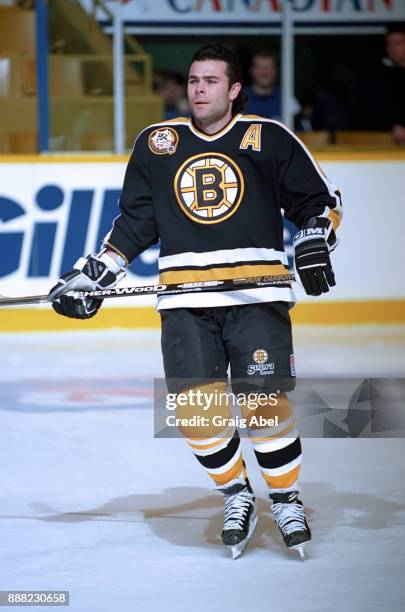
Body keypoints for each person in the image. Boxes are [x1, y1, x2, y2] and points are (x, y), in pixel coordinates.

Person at [49, 44, 342, 559]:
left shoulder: (267, 138)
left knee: (262, 404)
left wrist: (316, 237)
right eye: (192, 80)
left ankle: (286, 497)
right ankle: (237, 494)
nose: (198, 89)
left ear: (233, 90)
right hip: (183, 298)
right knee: (195, 410)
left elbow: (318, 203)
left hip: (255, 295)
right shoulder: (158, 143)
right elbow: (136, 222)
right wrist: (98, 272)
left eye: (211, 81)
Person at [361, 23, 405, 142]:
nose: (392, 48)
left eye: (398, 43)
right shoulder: (380, 76)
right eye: (389, 44)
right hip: (387, 146)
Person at [244, 49, 300, 121]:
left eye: (268, 67)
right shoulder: (241, 98)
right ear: (251, 71)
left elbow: (297, 129)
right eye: (259, 67)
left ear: (275, 71)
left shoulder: (286, 98)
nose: (264, 72)